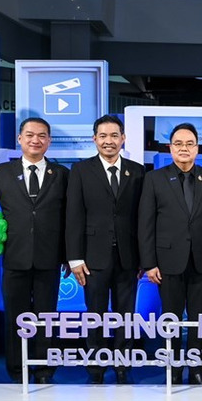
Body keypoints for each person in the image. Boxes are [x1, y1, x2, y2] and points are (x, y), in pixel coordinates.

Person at [0, 117, 69, 384]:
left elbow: (72, 218)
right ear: (20, 139)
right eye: (30, 135)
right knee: (16, 317)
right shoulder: (2, 173)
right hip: (14, 259)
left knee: (46, 317)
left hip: (49, 259)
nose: (36, 140)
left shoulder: (62, 174)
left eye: (42, 135)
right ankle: (17, 370)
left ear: (49, 141)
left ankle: (45, 370)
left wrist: (71, 255)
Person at [138, 123, 202, 385]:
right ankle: (174, 368)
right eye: (178, 144)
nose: (184, 148)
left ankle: (197, 368)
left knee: (199, 318)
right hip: (167, 262)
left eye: (189, 144)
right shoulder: (154, 179)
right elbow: (146, 224)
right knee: (171, 317)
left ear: (197, 148)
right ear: (170, 148)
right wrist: (149, 263)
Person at [66, 114, 145, 384]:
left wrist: (144, 258)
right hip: (92, 257)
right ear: (94, 139)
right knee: (95, 314)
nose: (108, 141)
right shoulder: (81, 171)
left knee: (126, 315)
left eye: (114, 136)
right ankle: (96, 367)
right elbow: (73, 215)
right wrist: (74, 258)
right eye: (103, 136)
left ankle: (123, 365)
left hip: (128, 257)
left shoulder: (137, 171)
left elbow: (142, 218)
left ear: (123, 138)